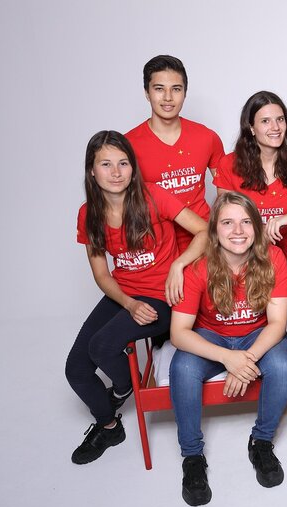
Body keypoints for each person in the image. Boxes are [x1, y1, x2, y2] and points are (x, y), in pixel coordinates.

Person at [66, 130, 207, 465]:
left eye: (123, 163)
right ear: (92, 171)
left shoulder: (154, 196)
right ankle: (109, 425)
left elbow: (204, 230)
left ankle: (121, 388)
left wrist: (179, 265)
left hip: (165, 295)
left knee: (102, 346)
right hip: (125, 293)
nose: (116, 172)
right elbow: (102, 275)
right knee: (76, 370)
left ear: (133, 167)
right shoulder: (89, 213)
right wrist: (128, 303)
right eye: (106, 164)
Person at [169, 192, 287, 505]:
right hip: (212, 336)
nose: (237, 230)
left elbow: (277, 323)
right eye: (227, 223)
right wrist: (228, 358)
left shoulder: (273, 258)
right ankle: (192, 457)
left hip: (257, 334)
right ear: (214, 230)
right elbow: (178, 334)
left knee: (283, 365)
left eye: (245, 222)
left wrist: (245, 361)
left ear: (257, 227)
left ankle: (261, 442)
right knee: (182, 367)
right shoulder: (198, 266)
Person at [126, 55, 224, 252]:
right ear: (147, 93)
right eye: (159, 89)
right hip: (156, 247)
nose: (168, 97)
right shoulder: (128, 145)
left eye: (176, 89)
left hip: (205, 241)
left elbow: (227, 194)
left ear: (185, 93)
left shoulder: (207, 137)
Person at [214, 91, 287, 258]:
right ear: (251, 128)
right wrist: (259, 231)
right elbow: (224, 218)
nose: (275, 127)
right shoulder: (229, 164)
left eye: (280, 119)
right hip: (245, 257)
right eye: (265, 121)